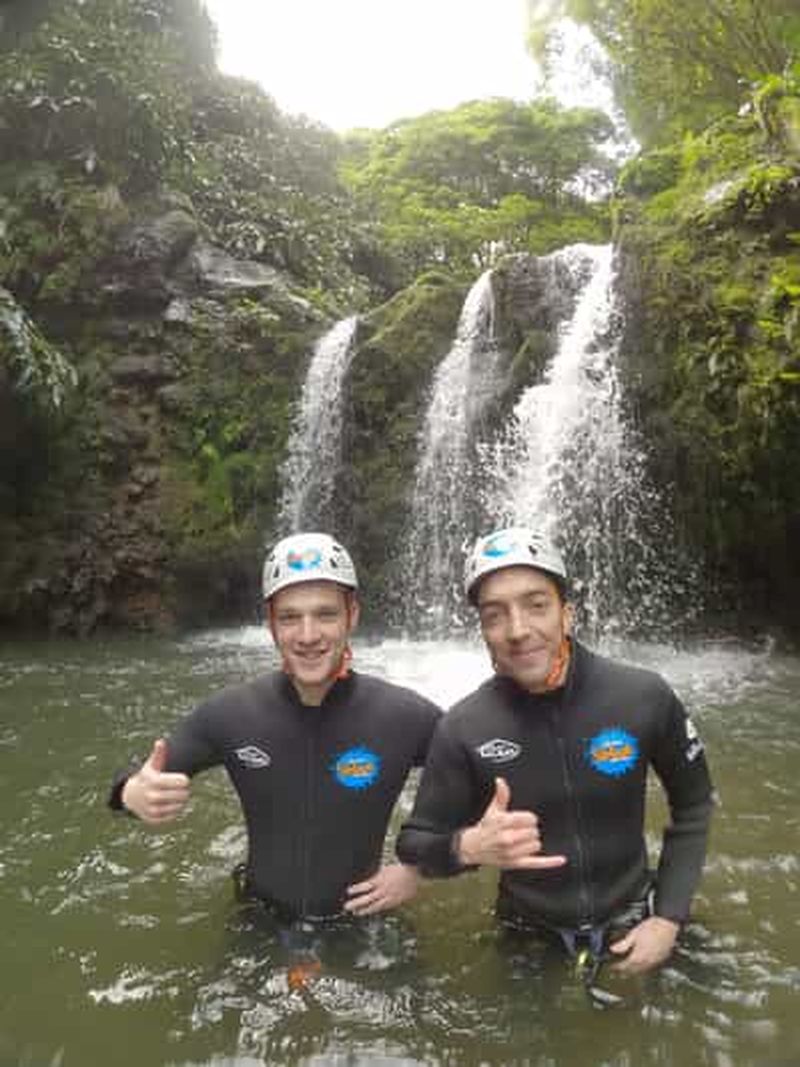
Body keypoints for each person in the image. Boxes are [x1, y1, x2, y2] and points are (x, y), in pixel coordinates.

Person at [396, 525, 715, 979]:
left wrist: (667, 917)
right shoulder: (464, 727)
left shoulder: (643, 696)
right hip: (527, 935)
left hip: (639, 916)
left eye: (536, 605)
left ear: (567, 613)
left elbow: (695, 804)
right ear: (483, 631)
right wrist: (468, 846)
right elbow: (414, 844)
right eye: (495, 615)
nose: (518, 630)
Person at [109, 532, 442, 923]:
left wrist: (418, 870)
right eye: (289, 617)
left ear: (352, 616)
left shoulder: (404, 715)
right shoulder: (231, 714)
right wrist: (131, 793)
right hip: (261, 922)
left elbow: (482, 778)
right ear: (270, 624)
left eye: (325, 614)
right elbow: (136, 779)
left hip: (365, 923)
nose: (307, 635)